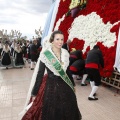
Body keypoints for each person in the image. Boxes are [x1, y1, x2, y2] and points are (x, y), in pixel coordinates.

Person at [21, 30, 82, 120]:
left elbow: (67, 71)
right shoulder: (46, 54)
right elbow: (40, 74)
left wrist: (72, 84)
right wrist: (34, 93)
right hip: (51, 87)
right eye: (57, 39)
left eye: (62, 39)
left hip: (65, 86)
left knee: (68, 109)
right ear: (52, 40)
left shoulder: (65, 53)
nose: (60, 42)